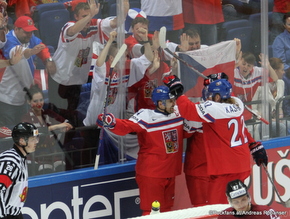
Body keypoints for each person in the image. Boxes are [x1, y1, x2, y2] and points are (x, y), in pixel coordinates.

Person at [164, 76, 268, 204]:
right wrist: (253, 145)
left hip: (226, 169)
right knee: (235, 206)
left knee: (216, 209)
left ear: (218, 97)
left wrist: (178, 93)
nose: (209, 98)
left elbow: (188, 110)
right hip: (241, 165)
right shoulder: (237, 103)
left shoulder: (213, 109)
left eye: (211, 95)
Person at [96, 85, 184, 215]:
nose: (174, 104)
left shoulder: (177, 113)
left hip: (170, 172)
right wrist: (112, 122)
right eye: (171, 101)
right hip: (152, 174)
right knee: (152, 212)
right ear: (160, 103)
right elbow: (127, 126)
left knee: (167, 211)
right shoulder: (146, 117)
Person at [49, 0, 129, 121]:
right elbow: (73, 31)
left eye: (89, 15)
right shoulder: (68, 26)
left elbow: (117, 21)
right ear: (76, 17)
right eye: (84, 16)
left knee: (71, 118)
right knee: (54, 116)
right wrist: (91, 15)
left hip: (77, 80)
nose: (87, 20)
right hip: (59, 77)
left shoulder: (95, 25)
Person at [0, 16, 56, 128]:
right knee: (10, 134)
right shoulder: (9, 41)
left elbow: (42, 47)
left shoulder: (29, 38)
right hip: (7, 99)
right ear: (16, 29)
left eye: (31, 32)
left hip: (23, 98)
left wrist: (48, 60)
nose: (30, 35)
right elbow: (22, 53)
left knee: (23, 131)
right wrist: (32, 51)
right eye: (26, 32)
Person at [22, 85, 73, 174]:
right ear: (29, 102)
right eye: (35, 101)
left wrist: (66, 127)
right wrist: (55, 127)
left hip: (54, 154)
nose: (39, 103)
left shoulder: (49, 113)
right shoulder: (26, 119)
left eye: (41, 100)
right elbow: (34, 133)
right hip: (35, 156)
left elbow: (67, 123)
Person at [0, 122, 39, 219]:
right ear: (22, 141)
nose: (36, 142)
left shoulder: (20, 158)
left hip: (14, 214)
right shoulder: (10, 161)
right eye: (32, 139)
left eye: (36, 138)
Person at [233, 52, 278, 121]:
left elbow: (275, 78)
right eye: (243, 64)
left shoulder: (257, 72)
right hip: (233, 110)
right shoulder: (234, 72)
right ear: (239, 63)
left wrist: (268, 66)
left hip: (247, 111)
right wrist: (236, 63)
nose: (245, 67)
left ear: (252, 67)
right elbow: (222, 74)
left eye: (249, 65)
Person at [252, 57, 288, 138]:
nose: (283, 72)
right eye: (282, 70)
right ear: (274, 71)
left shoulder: (281, 83)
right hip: (262, 121)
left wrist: (280, 116)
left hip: (277, 120)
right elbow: (253, 108)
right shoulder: (259, 85)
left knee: (287, 124)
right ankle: (281, 149)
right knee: (281, 127)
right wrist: (268, 119)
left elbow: (280, 106)